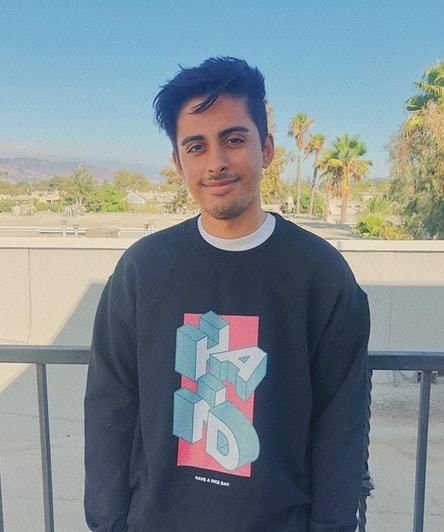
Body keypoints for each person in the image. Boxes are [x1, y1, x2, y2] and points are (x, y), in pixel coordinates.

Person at [84, 57, 370, 532]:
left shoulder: (320, 274)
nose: (216, 161)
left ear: (267, 149)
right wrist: (109, 522)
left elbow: (341, 423)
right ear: (178, 162)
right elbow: (110, 403)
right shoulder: (143, 269)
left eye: (234, 139)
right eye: (196, 146)